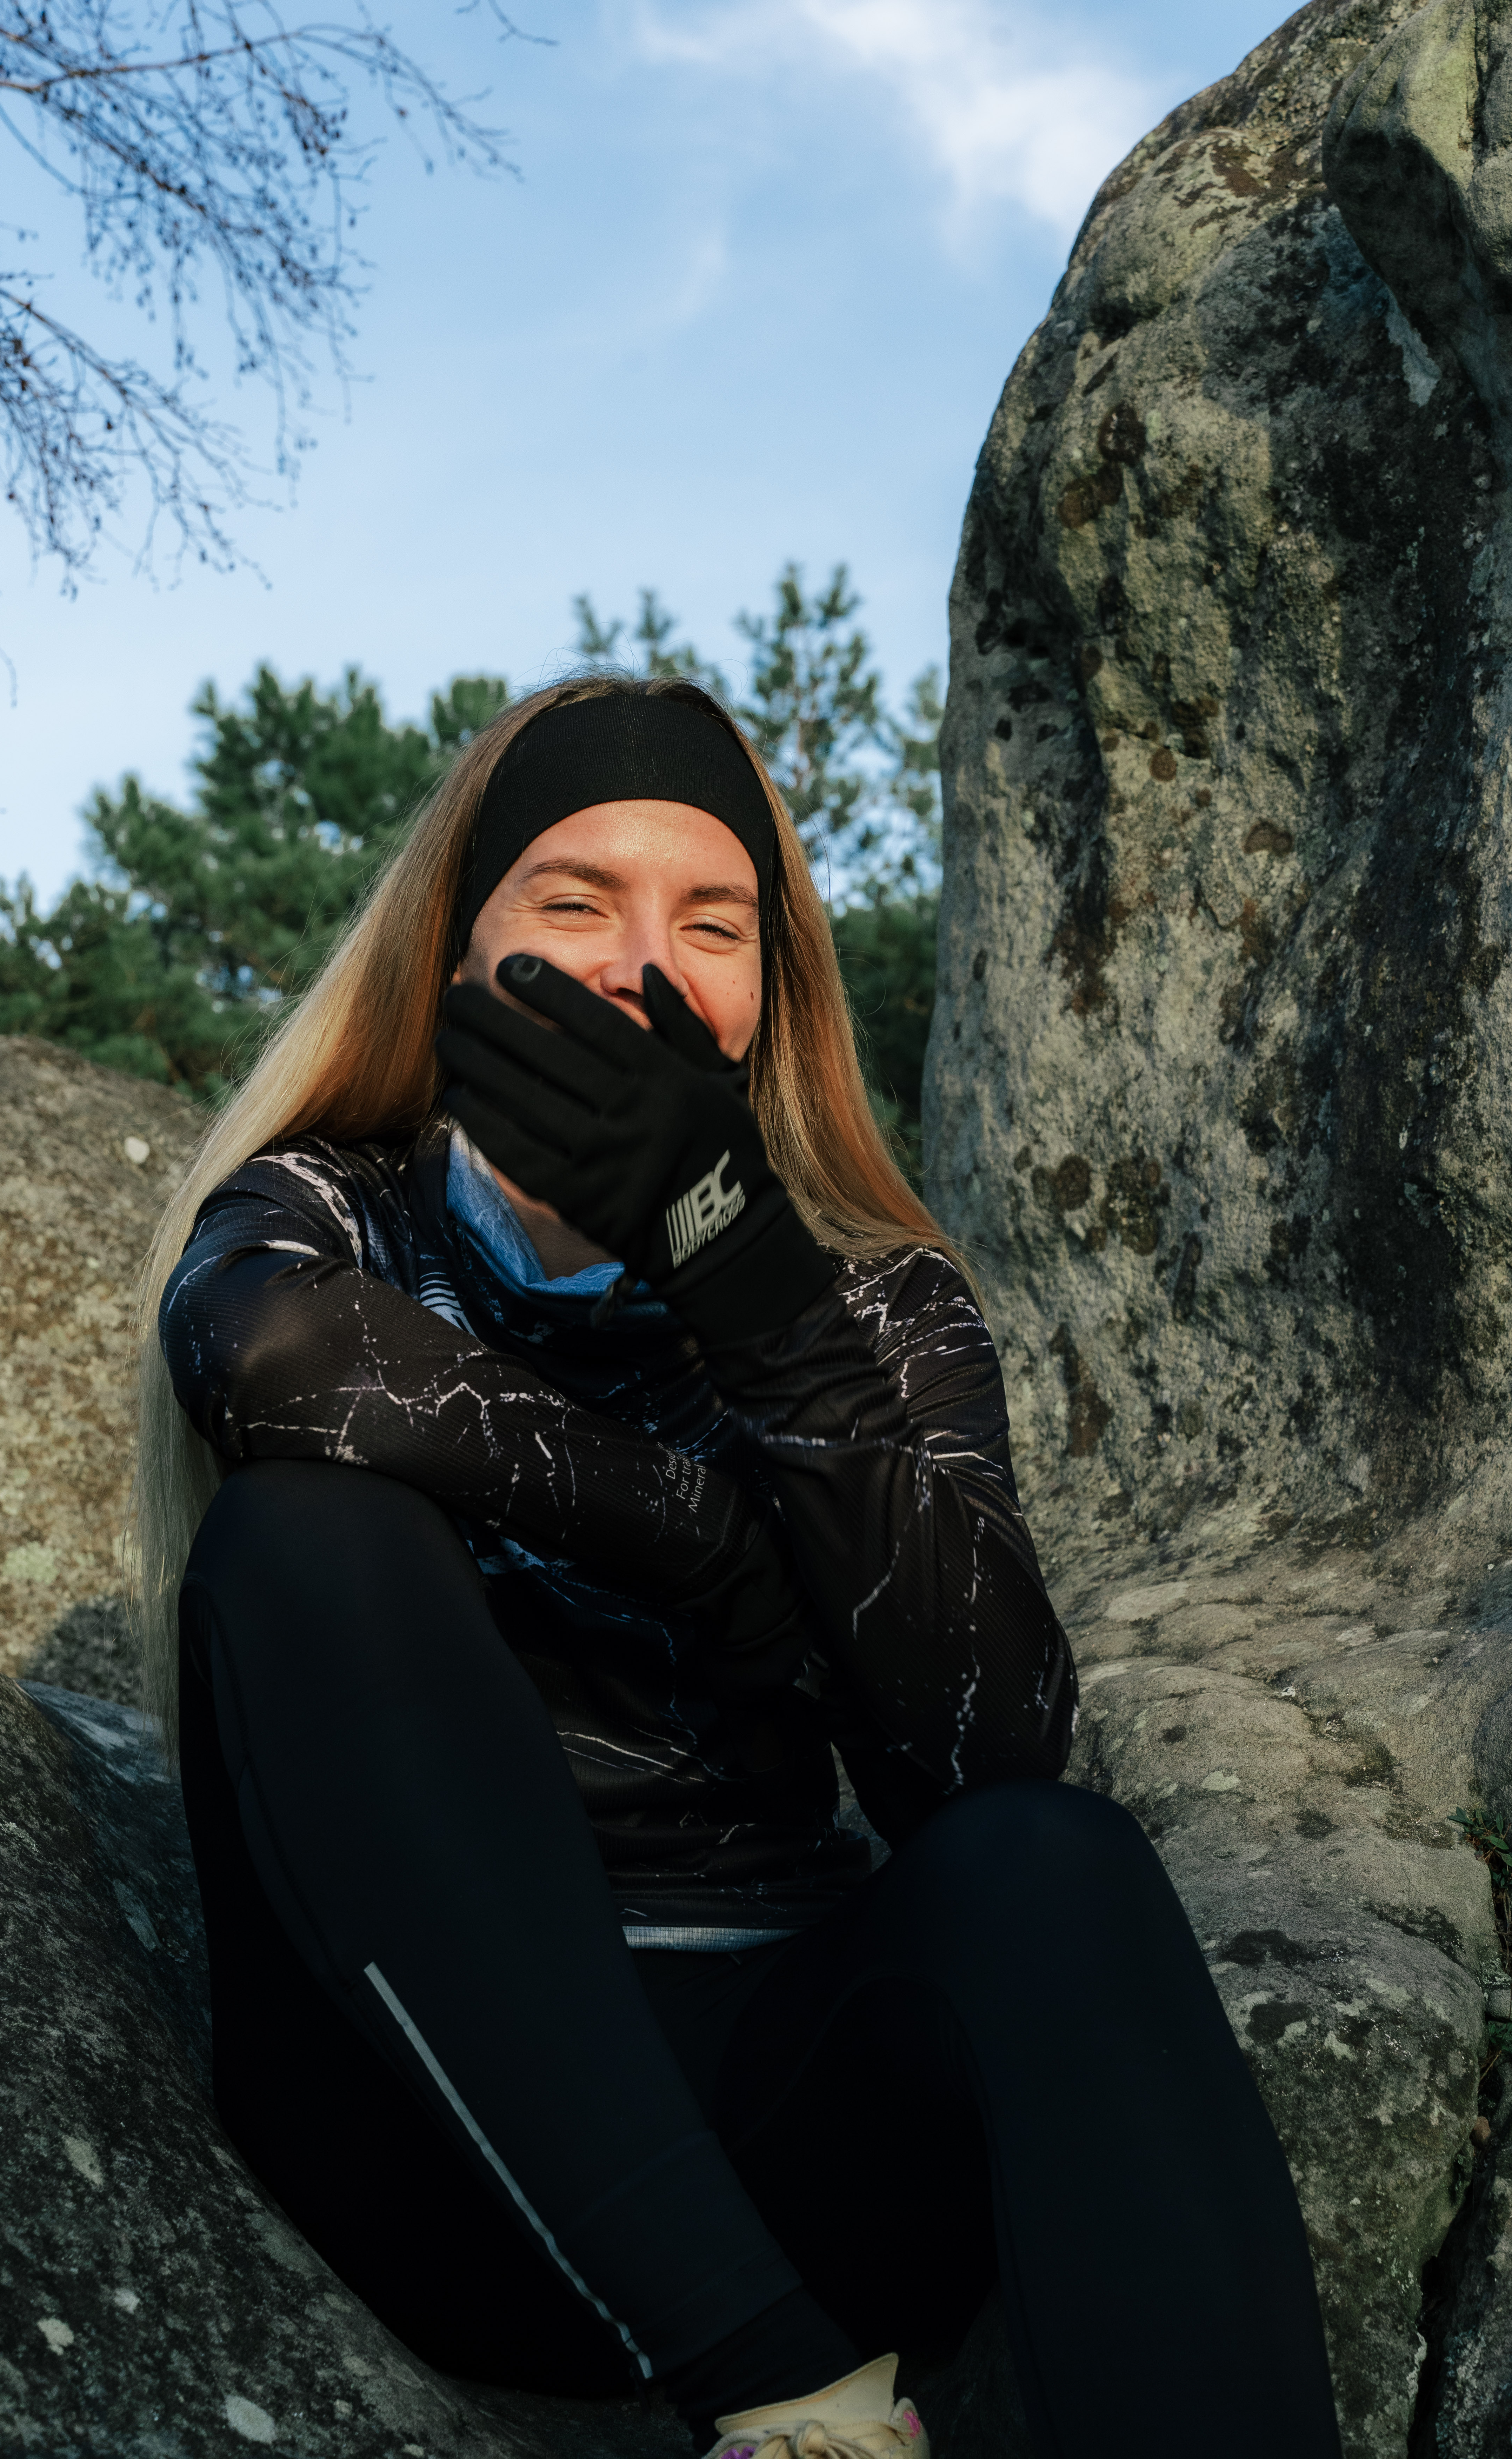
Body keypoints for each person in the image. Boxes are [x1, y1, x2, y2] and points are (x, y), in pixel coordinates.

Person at [133, 675, 1343, 2459]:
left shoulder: (869, 1299)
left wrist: (746, 1280)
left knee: (1051, 1861)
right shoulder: (333, 1210)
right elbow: (266, 1356)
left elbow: (983, 1753)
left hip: (790, 2110)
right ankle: (794, 2411)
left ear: (769, 986)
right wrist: (716, 1550)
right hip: (434, 2134)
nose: (646, 967)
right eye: (575, 901)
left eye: (713, 923)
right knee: (308, 1529)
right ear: (454, 952)